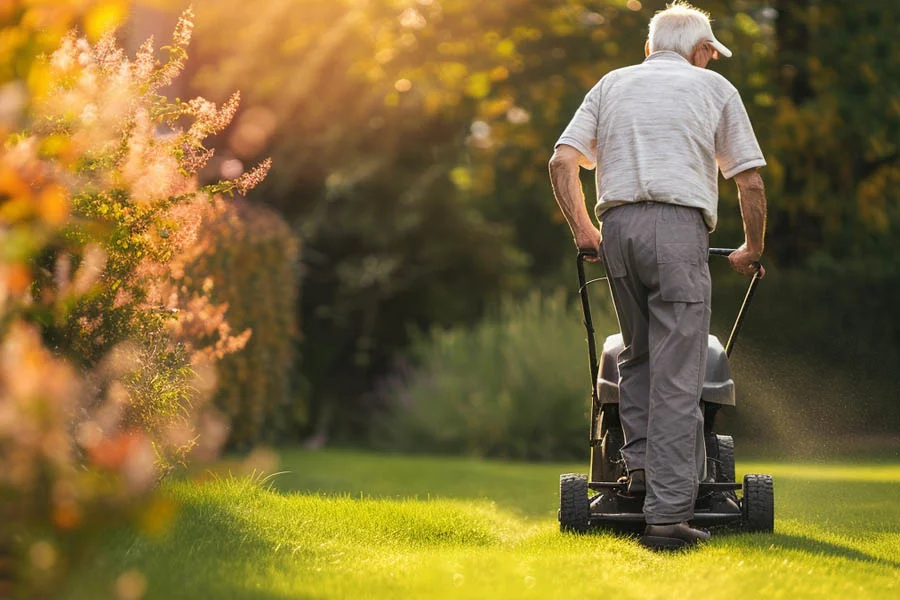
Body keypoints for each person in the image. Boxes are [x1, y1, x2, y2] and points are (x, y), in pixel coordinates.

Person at [548, 1, 767, 549]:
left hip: (617, 228)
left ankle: (641, 475)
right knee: (678, 373)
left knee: (638, 358)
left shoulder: (612, 84)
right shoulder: (714, 91)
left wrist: (583, 231)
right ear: (701, 52)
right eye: (711, 56)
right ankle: (667, 516)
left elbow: (561, 162)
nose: (711, 64)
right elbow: (751, 183)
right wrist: (751, 248)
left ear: (649, 48)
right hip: (679, 231)